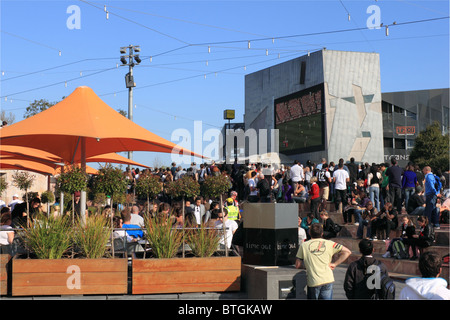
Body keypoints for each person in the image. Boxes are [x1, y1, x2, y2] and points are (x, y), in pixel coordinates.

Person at [295, 223, 351, 300]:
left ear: (309, 233)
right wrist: (335, 264)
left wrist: (306, 266)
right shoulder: (330, 243)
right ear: (322, 233)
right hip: (328, 279)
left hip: (313, 281)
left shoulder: (304, 245)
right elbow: (347, 252)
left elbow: (298, 264)